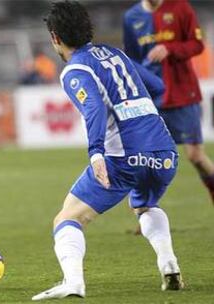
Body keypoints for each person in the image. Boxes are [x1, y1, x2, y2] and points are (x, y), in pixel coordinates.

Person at [32, 1, 183, 300]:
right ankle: (169, 266)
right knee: (144, 205)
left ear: (55, 37)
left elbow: (94, 108)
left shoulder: (75, 69)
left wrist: (97, 152)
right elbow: (156, 85)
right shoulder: (117, 54)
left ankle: (73, 282)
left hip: (123, 157)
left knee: (67, 218)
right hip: (165, 152)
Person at [123, 0, 214, 204]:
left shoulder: (180, 8)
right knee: (143, 158)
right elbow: (131, 59)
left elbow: (197, 44)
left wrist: (170, 48)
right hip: (149, 98)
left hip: (182, 93)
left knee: (195, 156)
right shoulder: (131, 17)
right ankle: (145, 213)